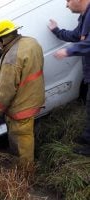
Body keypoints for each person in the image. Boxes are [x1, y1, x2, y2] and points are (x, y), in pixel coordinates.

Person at [0, 19, 45, 164]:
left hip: (22, 106)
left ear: (2, 39)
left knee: (22, 137)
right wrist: (2, 54)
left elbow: (6, 91)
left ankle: (25, 170)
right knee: (26, 134)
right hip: (35, 96)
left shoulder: (10, 60)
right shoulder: (31, 42)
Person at [48, 0, 90, 156]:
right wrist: (57, 31)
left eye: (68, 0)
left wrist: (69, 51)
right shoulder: (85, 17)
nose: (66, 5)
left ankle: (88, 148)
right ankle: (87, 139)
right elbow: (76, 35)